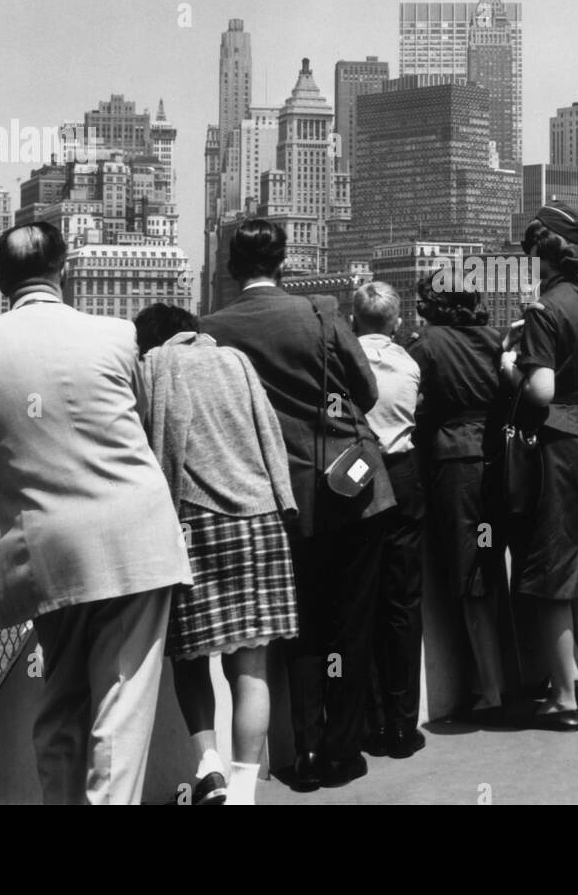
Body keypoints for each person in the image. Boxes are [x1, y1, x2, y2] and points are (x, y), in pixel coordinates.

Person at [0, 223, 192, 804]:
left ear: (0, 280)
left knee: (62, 700)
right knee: (120, 709)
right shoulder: (120, 335)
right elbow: (143, 429)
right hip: (137, 540)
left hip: (46, 551)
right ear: (64, 268)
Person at [200, 220, 394, 790]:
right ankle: (342, 750)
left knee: (300, 628)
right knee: (351, 623)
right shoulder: (319, 312)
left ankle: (304, 752)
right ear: (284, 262)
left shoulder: (211, 330)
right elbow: (366, 391)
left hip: (275, 498)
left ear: (231, 269)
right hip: (351, 493)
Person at [134, 304, 299, 806]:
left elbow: (150, 442)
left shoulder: (154, 367)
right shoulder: (236, 362)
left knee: (189, 658)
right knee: (251, 667)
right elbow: (270, 433)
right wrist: (283, 499)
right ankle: (245, 790)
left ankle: (209, 770)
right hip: (259, 517)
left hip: (193, 523)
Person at [500, 201, 578, 731]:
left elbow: (542, 390)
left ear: (542, 254)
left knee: (554, 576)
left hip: (558, 448)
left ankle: (564, 700)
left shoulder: (543, 311)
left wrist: (511, 366)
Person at [409, 277, 509, 722]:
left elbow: (405, 400)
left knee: (470, 579)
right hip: (496, 462)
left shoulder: (428, 344)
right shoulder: (493, 339)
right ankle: (504, 680)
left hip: (454, 463)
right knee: (489, 568)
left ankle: (489, 692)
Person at [351, 282, 427, 760]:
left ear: (354, 320)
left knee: (360, 600)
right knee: (404, 601)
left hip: (357, 477)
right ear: (397, 323)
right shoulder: (410, 363)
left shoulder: (342, 361)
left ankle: (369, 721)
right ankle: (403, 725)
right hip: (403, 476)